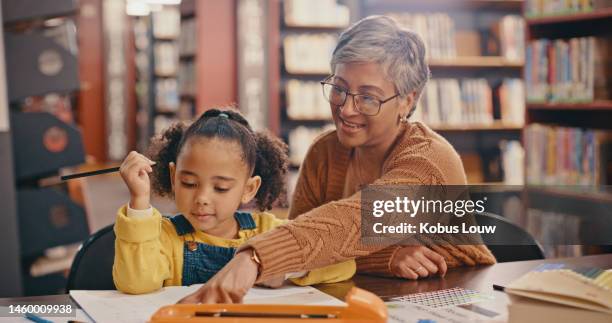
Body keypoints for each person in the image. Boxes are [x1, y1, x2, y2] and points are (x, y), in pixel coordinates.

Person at [180, 15, 495, 304]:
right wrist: (387, 258)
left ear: (407, 100)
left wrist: (255, 258)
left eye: (368, 97)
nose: (346, 109)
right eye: (339, 89)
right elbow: (308, 246)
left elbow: (355, 221)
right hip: (364, 297)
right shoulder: (325, 152)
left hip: (456, 296)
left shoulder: (429, 162)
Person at [112, 108, 355, 294]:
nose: (202, 198)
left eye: (221, 188)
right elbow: (136, 283)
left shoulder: (267, 231)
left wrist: (286, 264)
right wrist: (139, 202)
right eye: (189, 183)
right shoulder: (163, 235)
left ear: (249, 189)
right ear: (174, 177)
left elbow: (343, 263)